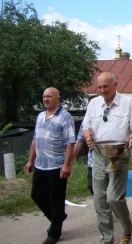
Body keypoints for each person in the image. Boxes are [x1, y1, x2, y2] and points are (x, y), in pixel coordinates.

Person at [82, 72, 132, 244]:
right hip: (98, 154)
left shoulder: (128, 103)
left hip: (120, 154)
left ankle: (127, 228)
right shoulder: (94, 103)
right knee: (99, 200)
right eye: (99, 87)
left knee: (113, 198)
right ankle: (106, 239)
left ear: (115, 85)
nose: (102, 90)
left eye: (105, 86)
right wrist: (87, 136)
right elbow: (86, 126)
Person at [24, 87, 76, 244]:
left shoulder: (65, 117)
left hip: (56, 165)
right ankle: (58, 217)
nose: (46, 99)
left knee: (56, 199)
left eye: (49, 97)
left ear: (57, 98)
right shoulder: (40, 116)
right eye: (44, 96)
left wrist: (67, 165)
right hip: (41, 164)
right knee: (36, 194)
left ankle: (54, 233)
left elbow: (70, 143)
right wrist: (30, 160)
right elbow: (35, 139)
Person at [73, 123, 93, 195]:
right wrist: (69, 161)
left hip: (110, 161)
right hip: (93, 163)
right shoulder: (87, 120)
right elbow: (79, 141)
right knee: (91, 186)